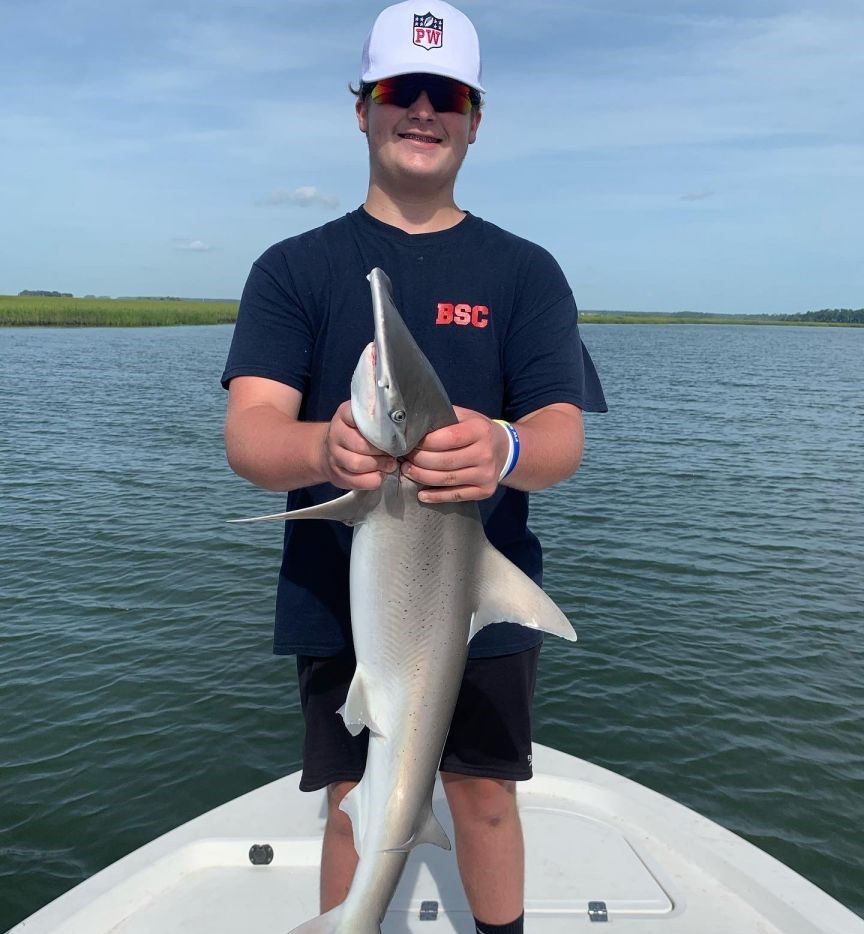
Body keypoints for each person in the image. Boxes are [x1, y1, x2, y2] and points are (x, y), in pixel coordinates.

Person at [221, 2, 606, 931]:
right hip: (338, 589)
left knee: (483, 799)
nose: (424, 110)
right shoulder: (295, 268)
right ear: (363, 108)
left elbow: (562, 433)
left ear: (476, 116)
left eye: (449, 95)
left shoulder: (524, 271)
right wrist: (323, 447)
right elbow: (250, 435)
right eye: (402, 90)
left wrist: (505, 447)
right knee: (351, 800)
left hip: (479, 594)